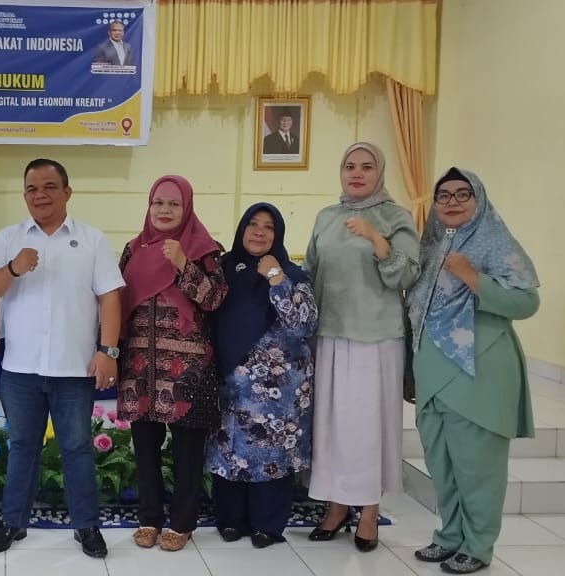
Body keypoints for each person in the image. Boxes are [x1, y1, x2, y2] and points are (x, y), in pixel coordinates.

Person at [0, 159, 124, 559]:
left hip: (74, 368)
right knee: (22, 447)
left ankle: (86, 526)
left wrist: (108, 351)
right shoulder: (9, 238)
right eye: (32, 189)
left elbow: (110, 298)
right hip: (21, 370)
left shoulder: (92, 240)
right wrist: (13, 268)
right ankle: (13, 522)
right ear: (24, 195)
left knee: (76, 448)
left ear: (67, 192)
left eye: (49, 187)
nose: (40, 195)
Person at [408, 168, 539, 575]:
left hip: (478, 370)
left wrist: (471, 277)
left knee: (478, 467)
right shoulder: (429, 245)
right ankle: (450, 535)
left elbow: (527, 302)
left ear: (478, 200)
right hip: (431, 371)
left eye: (462, 194)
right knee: (442, 465)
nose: (452, 202)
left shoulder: (495, 242)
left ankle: (478, 546)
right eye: (443, 195)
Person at [303, 142, 420, 551]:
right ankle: (337, 505)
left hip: (376, 337)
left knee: (368, 427)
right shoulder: (327, 216)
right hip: (329, 334)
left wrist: (376, 239)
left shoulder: (395, 216)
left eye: (367, 167)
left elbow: (406, 275)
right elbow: (311, 272)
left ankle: (369, 509)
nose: (357, 173)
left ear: (379, 173)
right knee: (332, 426)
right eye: (349, 166)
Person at [116, 175, 227, 551]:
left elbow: (215, 300)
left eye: (174, 204)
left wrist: (183, 263)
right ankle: (149, 517)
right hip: (139, 366)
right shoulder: (132, 250)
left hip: (188, 370)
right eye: (158, 203)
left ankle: (182, 522)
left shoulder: (205, 251)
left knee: (187, 453)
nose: (164, 210)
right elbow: (117, 301)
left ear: (187, 207)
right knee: (145, 448)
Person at [206, 203, 318, 548]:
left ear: (278, 234)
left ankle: (267, 525)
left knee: (272, 453)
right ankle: (230, 520)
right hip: (230, 382)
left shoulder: (292, 274)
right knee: (229, 449)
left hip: (277, 391)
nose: (259, 232)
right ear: (241, 229)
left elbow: (303, 324)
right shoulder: (223, 271)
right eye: (252, 224)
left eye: (268, 227)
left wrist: (275, 278)